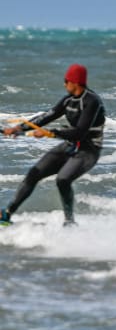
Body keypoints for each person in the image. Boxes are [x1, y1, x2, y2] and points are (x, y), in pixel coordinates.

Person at [0, 64, 106, 227]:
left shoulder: (92, 101)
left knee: (63, 179)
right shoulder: (68, 100)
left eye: (66, 81)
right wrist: (18, 128)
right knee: (33, 174)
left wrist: (50, 133)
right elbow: (46, 116)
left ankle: (69, 222)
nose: (64, 85)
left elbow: (80, 132)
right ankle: (6, 215)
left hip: (89, 150)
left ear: (75, 82)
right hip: (70, 146)